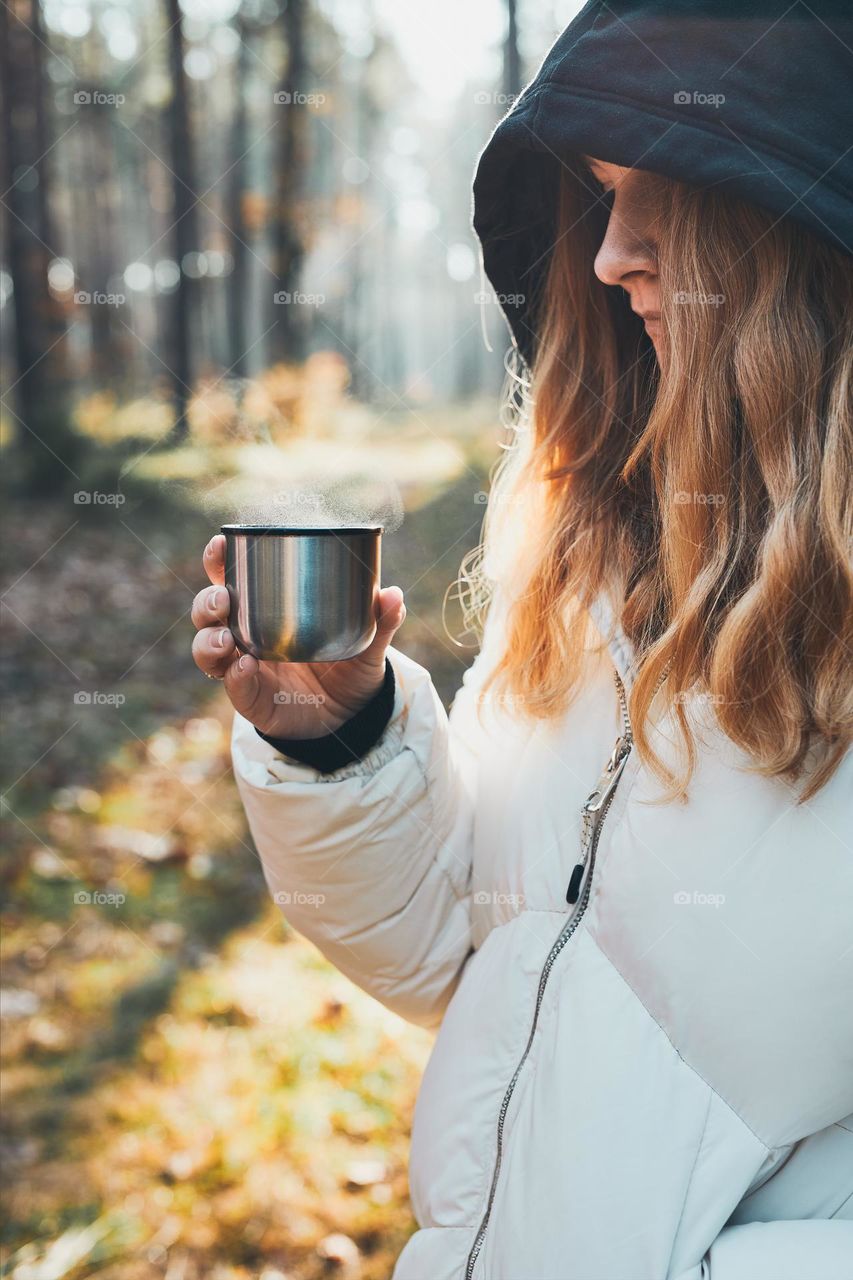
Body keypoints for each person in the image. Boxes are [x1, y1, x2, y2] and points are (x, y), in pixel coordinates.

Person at [191, 1, 853, 1275]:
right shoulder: (613, 562)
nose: (611, 254)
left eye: (666, 192)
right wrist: (343, 738)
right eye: (601, 196)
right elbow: (471, 950)